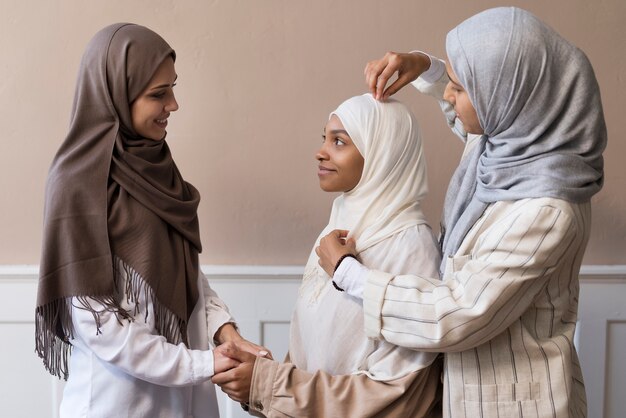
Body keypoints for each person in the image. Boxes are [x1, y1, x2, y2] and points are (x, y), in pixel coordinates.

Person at [317, 7, 607, 418]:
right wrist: (427, 68)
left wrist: (350, 274)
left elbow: (459, 313)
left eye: (459, 87)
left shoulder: (547, 209)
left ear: (504, 98)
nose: (448, 97)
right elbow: (467, 121)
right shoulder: (506, 151)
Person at [35, 23, 268, 418]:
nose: (173, 104)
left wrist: (224, 332)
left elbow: (185, 273)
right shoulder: (77, 186)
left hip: (188, 400)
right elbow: (100, 327)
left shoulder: (157, 168)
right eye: (158, 94)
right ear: (116, 95)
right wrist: (203, 364)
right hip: (116, 406)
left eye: (172, 88)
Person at [213, 93, 443, 417]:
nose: (320, 152)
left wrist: (267, 384)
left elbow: (395, 395)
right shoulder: (336, 232)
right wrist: (259, 384)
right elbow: (308, 351)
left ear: (382, 154)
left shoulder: (413, 251)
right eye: (325, 138)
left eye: (339, 142)